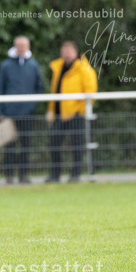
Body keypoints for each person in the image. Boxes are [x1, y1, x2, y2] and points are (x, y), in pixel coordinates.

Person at [46, 40, 98, 183]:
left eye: (69, 51)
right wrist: (50, 110)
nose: (66, 54)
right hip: (58, 114)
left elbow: (90, 91)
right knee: (54, 144)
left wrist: (80, 111)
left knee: (77, 145)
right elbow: (55, 91)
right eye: (64, 51)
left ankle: (75, 174)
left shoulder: (84, 68)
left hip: (76, 114)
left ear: (76, 52)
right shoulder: (58, 68)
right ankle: (55, 175)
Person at [0, 36, 44, 184]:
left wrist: (31, 105)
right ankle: (9, 176)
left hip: (27, 113)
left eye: (24, 46)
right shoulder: (6, 66)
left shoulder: (33, 65)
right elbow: (0, 88)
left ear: (28, 47)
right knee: (9, 146)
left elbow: (39, 87)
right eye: (19, 45)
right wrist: (0, 111)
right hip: (9, 112)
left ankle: (24, 175)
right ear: (15, 47)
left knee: (26, 145)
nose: (21, 48)